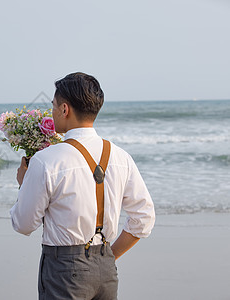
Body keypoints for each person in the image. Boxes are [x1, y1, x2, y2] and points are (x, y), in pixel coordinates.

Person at [10, 72, 155, 300]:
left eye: (54, 106)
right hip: (107, 270)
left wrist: (23, 184)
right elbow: (143, 219)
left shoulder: (46, 159)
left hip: (64, 271)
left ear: (65, 109)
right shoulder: (120, 156)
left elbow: (24, 224)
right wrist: (107, 257)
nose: (53, 111)